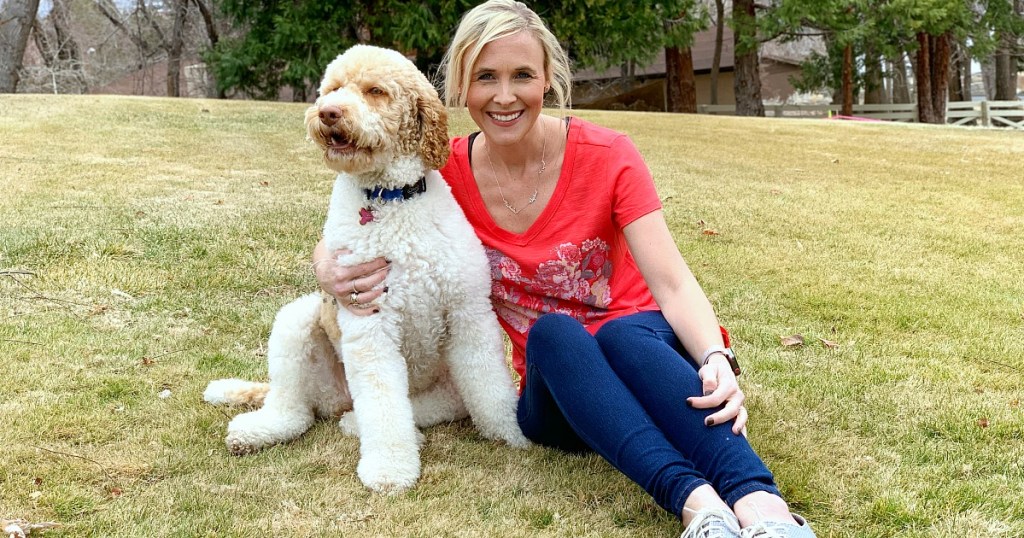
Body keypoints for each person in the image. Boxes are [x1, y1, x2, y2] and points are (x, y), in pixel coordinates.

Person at [312, 1, 816, 536]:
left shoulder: (609, 154)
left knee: (622, 335)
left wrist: (715, 354)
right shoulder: (442, 171)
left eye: (522, 76)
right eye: (486, 77)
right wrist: (326, 266)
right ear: (462, 85)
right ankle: (697, 506)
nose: (505, 96)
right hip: (557, 389)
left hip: (643, 353)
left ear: (548, 80)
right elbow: (367, 211)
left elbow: (671, 282)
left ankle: (764, 509)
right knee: (553, 333)